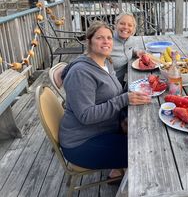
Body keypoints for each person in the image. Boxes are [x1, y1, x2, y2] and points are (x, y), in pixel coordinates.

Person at [59, 21, 151, 178]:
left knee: (145, 135)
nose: (106, 41)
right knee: (144, 152)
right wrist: (124, 100)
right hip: (82, 142)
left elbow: (113, 94)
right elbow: (86, 116)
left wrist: (123, 115)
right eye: (100, 38)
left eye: (109, 38)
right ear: (89, 41)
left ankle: (118, 173)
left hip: (103, 128)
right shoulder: (81, 73)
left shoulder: (106, 63)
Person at [111, 13, 145, 86]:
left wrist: (136, 52)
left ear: (133, 29)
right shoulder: (108, 41)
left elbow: (130, 49)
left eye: (130, 25)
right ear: (116, 25)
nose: (126, 27)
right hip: (108, 86)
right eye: (122, 23)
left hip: (121, 82)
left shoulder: (131, 39)